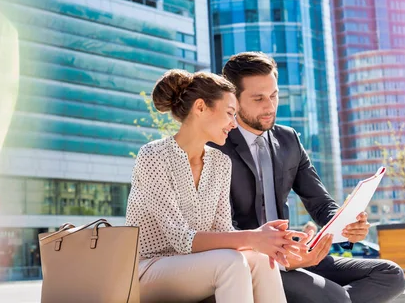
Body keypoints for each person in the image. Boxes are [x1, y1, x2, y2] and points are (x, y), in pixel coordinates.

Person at [210, 52, 405, 303]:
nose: (269, 106)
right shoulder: (216, 145)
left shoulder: (288, 139)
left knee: (390, 275)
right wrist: (272, 252)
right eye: (258, 98)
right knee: (334, 298)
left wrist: (347, 225)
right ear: (233, 100)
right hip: (251, 260)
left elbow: (320, 202)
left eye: (274, 95)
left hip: (296, 256)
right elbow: (217, 227)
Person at [125, 69, 308, 303]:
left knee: (261, 260)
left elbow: (223, 231)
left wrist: (271, 242)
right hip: (147, 269)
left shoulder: (221, 163)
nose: (234, 124)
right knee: (230, 263)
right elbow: (181, 239)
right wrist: (253, 238)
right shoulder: (153, 156)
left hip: (198, 266)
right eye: (230, 113)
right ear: (200, 108)